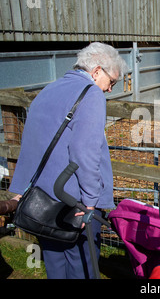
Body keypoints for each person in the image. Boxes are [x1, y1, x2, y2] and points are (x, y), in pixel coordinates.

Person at [8, 42, 128, 279]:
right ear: (96, 72)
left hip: (42, 199)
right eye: (111, 82)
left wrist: (22, 188)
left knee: (55, 264)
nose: (110, 89)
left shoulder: (49, 89)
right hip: (74, 201)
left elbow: (32, 143)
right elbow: (85, 152)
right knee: (82, 266)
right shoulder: (91, 94)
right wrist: (91, 202)